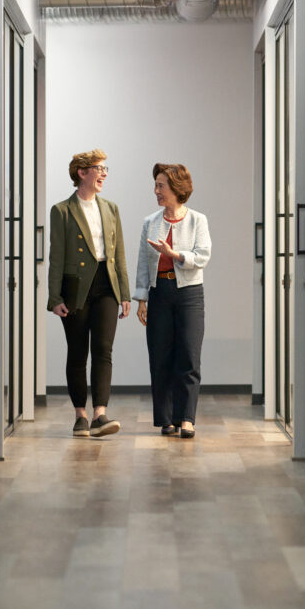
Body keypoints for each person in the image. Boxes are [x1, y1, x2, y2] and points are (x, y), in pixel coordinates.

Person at [47, 148, 131, 438]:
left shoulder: (110, 208)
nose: (104, 174)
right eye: (99, 168)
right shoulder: (61, 210)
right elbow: (56, 256)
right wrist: (54, 298)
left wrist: (124, 292)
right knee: (78, 352)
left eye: (106, 169)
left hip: (106, 285)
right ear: (82, 173)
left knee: (104, 351)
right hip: (74, 288)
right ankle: (80, 416)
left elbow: (118, 253)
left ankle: (100, 415)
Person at [134, 164, 211, 439]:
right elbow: (144, 263)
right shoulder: (150, 222)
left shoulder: (197, 220)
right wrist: (141, 299)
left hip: (189, 293)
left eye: (161, 186)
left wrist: (175, 254)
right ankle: (166, 420)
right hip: (159, 292)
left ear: (176, 188)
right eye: (155, 185)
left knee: (189, 355)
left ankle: (187, 419)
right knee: (160, 356)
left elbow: (203, 256)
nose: (156, 191)